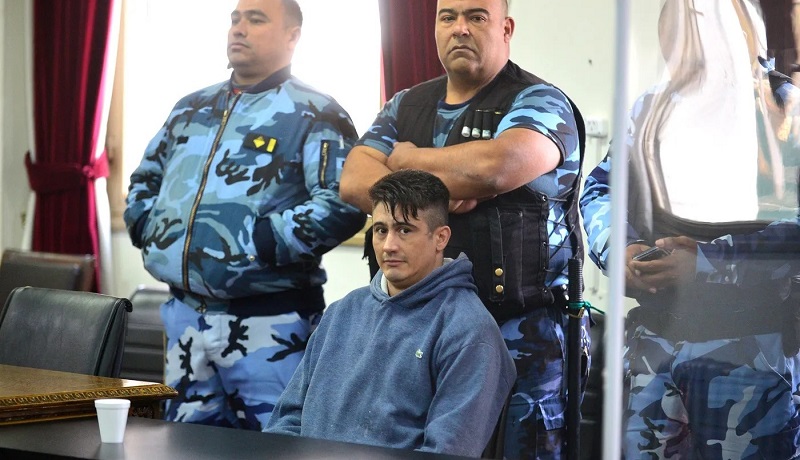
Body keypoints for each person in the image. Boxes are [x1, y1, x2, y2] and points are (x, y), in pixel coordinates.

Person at [339, 0, 589, 457]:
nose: (460, 29)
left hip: (519, 338)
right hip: (414, 334)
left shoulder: (539, 100)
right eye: (447, 16)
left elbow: (496, 167)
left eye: (476, 17)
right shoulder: (406, 105)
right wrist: (437, 192)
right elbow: (354, 180)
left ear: (506, 28)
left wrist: (407, 160)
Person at [123, 0, 366, 430]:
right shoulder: (190, 107)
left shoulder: (316, 112)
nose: (239, 28)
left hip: (270, 324)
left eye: (256, 19)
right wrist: (147, 227)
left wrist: (266, 241)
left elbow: (343, 202)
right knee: (183, 447)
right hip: (185, 319)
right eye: (235, 18)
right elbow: (146, 178)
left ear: (292, 36)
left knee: (274, 447)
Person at [580, 1, 800, 457]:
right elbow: (601, 188)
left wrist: (705, 262)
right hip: (656, 345)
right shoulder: (650, 107)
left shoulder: (786, 109)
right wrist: (622, 250)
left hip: (751, 354)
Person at [266, 169, 516, 456]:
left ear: (440, 238)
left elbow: (446, 452)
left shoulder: (470, 331)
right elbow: (286, 422)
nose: (389, 246)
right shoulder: (341, 312)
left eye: (405, 230)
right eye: (381, 230)